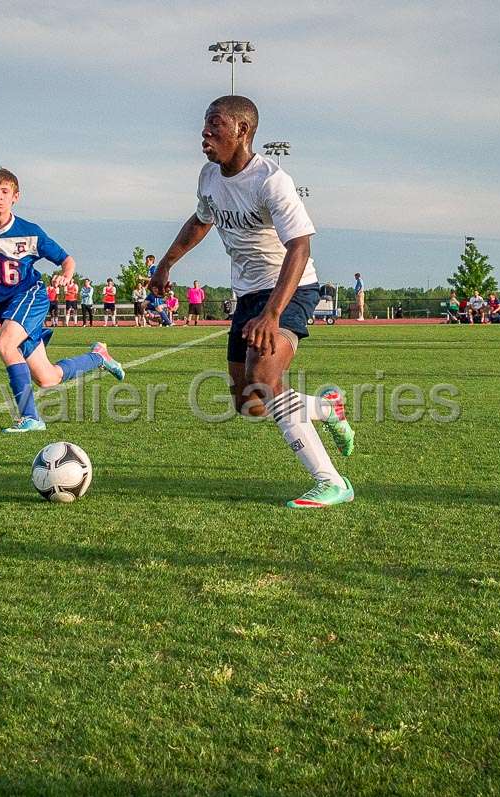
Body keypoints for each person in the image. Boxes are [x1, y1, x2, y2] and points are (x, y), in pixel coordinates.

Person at [150, 94, 354, 508]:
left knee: (264, 375)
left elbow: (300, 246)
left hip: (289, 287)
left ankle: (332, 482)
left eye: (216, 124)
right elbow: (201, 220)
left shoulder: (270, 180)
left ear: (242, 130)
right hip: (247, 295)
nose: (205, 132)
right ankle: (326, 408)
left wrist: (272, 314)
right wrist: (166, 264)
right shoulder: (209, 176)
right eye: (205, 124)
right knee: (249, 404)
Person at [0, 167, 124, 432]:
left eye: (5, 191)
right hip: (4, 306)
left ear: (15, 197)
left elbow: (67, 260)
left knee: (5, 345)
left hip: (30, 295)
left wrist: (66, 276)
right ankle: (98, 357)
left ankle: (30, 417)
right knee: (48, 378)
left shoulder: (29, 231)